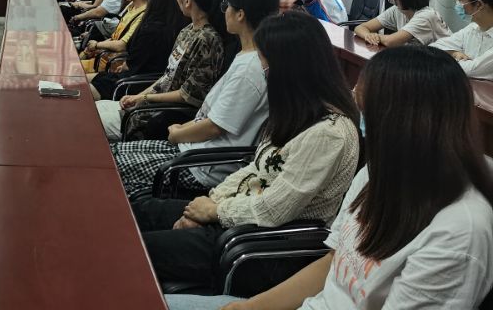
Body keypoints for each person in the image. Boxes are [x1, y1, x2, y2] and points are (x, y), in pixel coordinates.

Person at [167, 46, 493, 310]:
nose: (354, 104)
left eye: (365, 107)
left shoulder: (459, 233)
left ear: (401, 123)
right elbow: (332, 265)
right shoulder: (379, 173)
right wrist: (248, 307)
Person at [134, 11, 360, 288]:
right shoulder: (298, 113)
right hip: (236, 216)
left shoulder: (329, 133)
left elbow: (274, 209)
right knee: (141, 211)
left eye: (266, 64)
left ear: (289, 69)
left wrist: (214, 212)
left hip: (259, 245)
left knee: (135, 250)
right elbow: (254, 169)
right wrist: (207, 205)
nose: (264, 73)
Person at [109, 0, 276, 196]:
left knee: (111, 169)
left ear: (240, 15)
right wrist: (180, 130)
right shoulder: (246, 57)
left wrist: (177, 134)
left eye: (227, 6)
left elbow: (215, 127)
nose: (223, 12)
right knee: (111, 153)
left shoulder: (249, 69)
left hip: (201, 166)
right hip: (192, 150)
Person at [99, 0, 226, 141]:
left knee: (88, 120)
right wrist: (139, 97)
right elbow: (167, 77)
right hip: (148, 106)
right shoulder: (187, 30)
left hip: (159, 114)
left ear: (187, 1)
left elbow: (188, 95)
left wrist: (145, 98)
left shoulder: (207, 40)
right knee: (93, 107)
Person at [89, 0, 189, 102]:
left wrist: (127, 65)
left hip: (134, 85)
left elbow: (133, 62)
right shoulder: (184, 26)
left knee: (84, 84)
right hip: (146, 81)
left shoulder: (152, 27)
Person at [80, 0, 155, 75]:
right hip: (105, 57)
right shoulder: (131, 6)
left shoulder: (142, 15)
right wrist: (95, 47)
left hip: (114, 64)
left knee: (74, 71)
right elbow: (115, 36)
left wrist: (97, 45)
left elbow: (122, 45)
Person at [432, 0, 493, 78]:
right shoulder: (472, 28)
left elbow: (471, 70)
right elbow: (433, 48)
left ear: (478, 5)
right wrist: (454, 53)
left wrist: (447, 57)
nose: (457, 4)